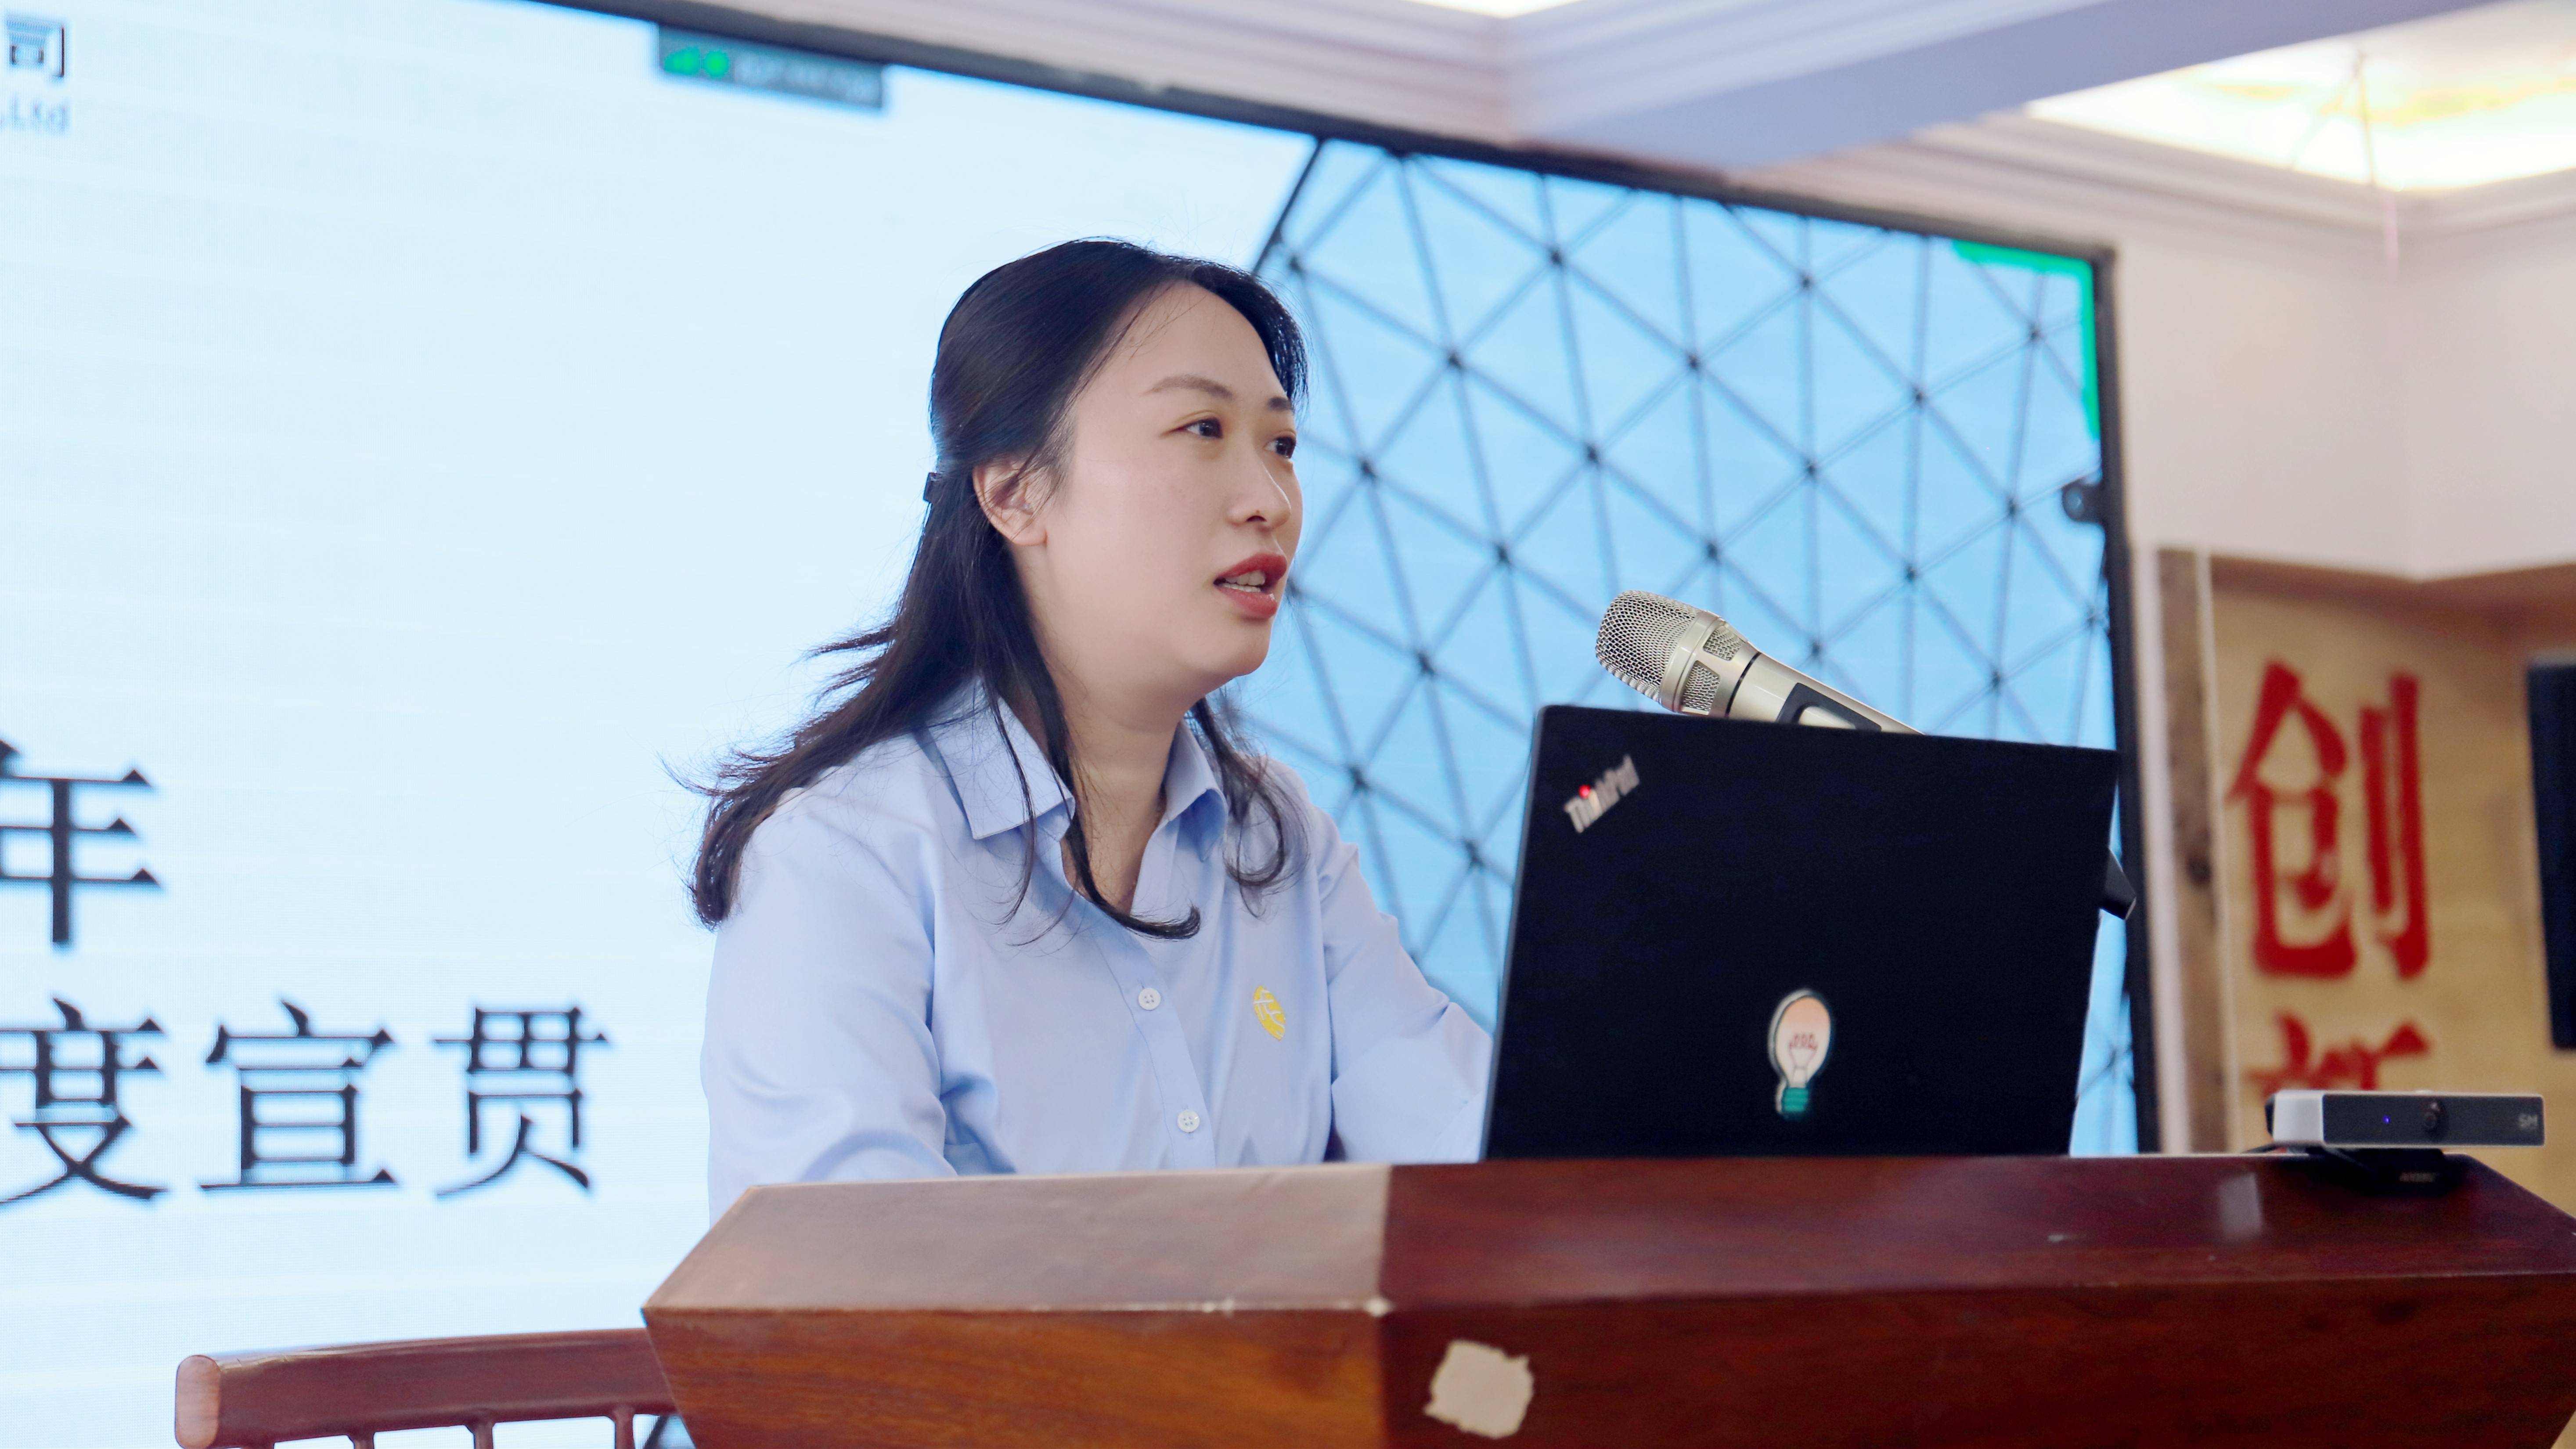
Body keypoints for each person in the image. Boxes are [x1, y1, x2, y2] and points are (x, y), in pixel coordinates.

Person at [692, 239, 1490, 1218]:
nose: (1270, 501)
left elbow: (1466, 1147)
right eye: (1203, 430)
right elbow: (844, 1272)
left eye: (1282, 445)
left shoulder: (1276, 836)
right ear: (1015, 492)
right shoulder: (848, 851)